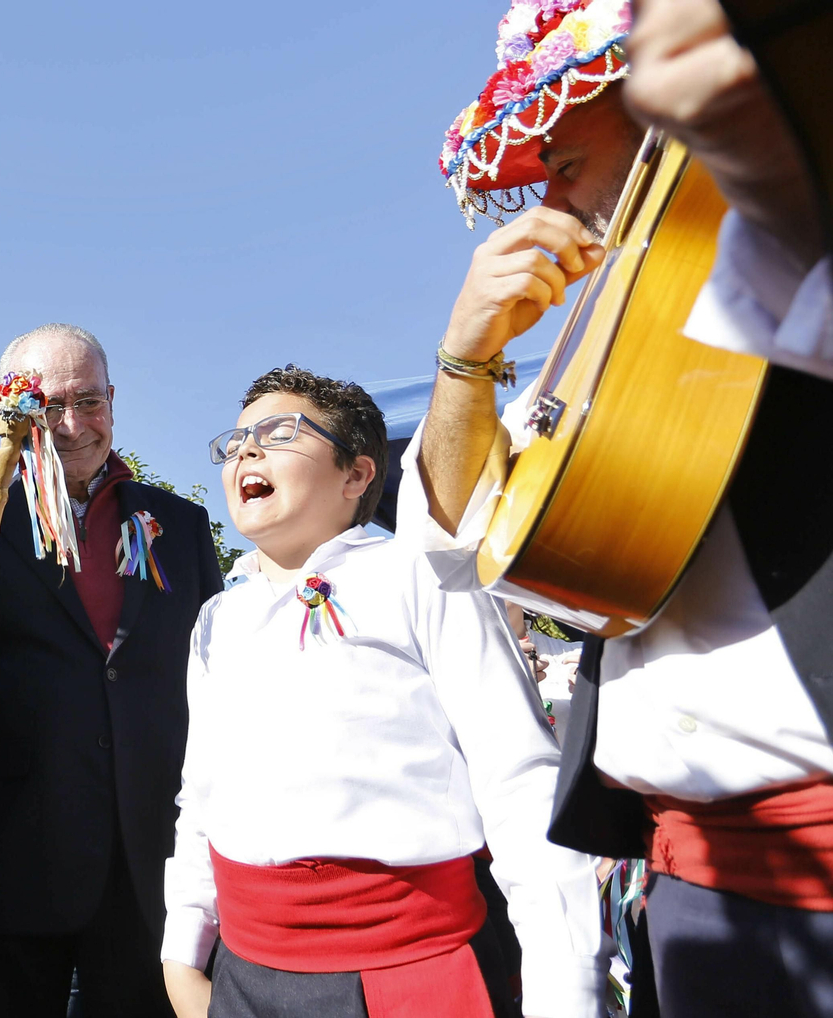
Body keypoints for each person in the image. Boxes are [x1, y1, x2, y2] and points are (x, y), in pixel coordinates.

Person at [408, 0, 833, 1013]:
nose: (544, 199)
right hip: (691, 894)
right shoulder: (592, 348)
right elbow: (470, 552)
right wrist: (466, 357)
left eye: (561, 161)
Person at [160, 366, 606, 1018]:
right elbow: (200, 796)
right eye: (237, 439)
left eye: (279, 432)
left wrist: (567, 995)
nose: (246, 449)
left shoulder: (422, 575)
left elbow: (518, 780)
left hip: (409, 967)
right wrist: (181, 957)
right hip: (246, 974)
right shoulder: (217, 621)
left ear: (356, 475)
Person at [0, 323, 224, 1018]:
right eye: (49, 406)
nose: (73, 425)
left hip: (153, 869)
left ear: (113, 402)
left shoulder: (182, 528)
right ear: (11, 412)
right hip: (8, 864)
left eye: (90, 402)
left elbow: (219, 683)